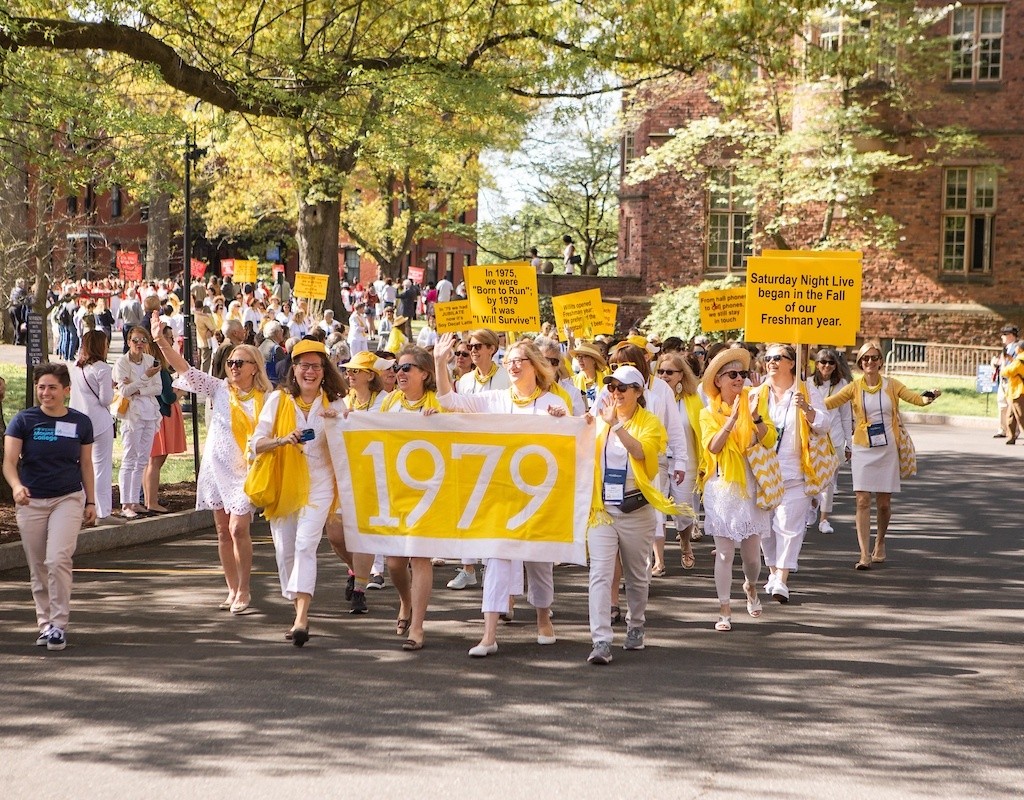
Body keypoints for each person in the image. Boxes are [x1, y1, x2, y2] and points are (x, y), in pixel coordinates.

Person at [434, 335, 564, 657]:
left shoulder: (553, 404)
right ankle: (488, 635)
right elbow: (449, 402)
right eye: (509, 361)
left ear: (534, 365)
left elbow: (571, 443)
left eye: (519, 360)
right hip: (500, 495)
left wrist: (565, 422)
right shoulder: (495, 399)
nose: (513, 366)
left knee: (538, 562)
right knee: (495, 559)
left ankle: (543, 617)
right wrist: (440, 362)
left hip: (537, 497)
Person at [157, 313, 272, 615]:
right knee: (222, 532)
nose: (233, 367)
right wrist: (161, 341)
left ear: (254, 368)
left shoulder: (268, 398)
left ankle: (245, 589)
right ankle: (232, 589)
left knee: (238, 529)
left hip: (246, 472)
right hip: (215, 468)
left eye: (240, 363)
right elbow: (185, 369)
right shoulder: (219, 388)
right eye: (231, 363)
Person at [585, 365, 683, 665]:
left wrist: (616, 426)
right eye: (611, 387)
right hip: (602, 510)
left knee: (637, 575)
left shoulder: (650, 422)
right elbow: (573, 435)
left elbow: (642, 454)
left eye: (622, 388)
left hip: (636, 508)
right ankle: (601, 640)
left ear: (638, 393)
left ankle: (636, 624)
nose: (615, 393)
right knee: (600, 574)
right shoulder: (598, 420)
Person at [251, 339, 347, 646]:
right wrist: (282, 440)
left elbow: (351, 449)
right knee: (286, 551)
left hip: (320, 484)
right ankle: (297, 611)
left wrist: (339, 426)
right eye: (304, 365)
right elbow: (256, 444)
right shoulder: (278, 401)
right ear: (294, 369)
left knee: (307, 545)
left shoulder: (336, 405)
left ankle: (302, 618)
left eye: (316, 366)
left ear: (324, 370)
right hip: (283, 485)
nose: (310, 372)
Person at [3, 363, 97, 651]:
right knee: (38, 566)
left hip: (66, 498)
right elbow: (9, 462)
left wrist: (91, 501)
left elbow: (86, 464)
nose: (46, 393)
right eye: (41, 387)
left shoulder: (81, 423)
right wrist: (17, 487)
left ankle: (58, 625)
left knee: (57, 560)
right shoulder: (23, 421)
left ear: (66, 391)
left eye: (52, 387)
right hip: (31, 501)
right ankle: (44, 624)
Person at [825, 342, 941, 569]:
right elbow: (829, 403)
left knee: (884, 504)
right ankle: (864, 554)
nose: (870, 362)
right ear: (860, 363)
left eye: (874, 358)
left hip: (887, 448)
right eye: (865, 359)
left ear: (880, 361)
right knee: (862, 500)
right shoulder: (853, 387)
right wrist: (803, 402)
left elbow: (916, 399)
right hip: (862, 448)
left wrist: (931, 395)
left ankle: (880, 542)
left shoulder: (892, 385)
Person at [700, 347, 776, 632]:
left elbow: (770, 441)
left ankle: (751, 586)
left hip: (753, 484)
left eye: (743, 374)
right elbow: (713, 447)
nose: (739, 379)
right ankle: (724, 609)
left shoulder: (755, 400)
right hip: (722, 487)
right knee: (724, 554)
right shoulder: (707, 411)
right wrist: (731, 419)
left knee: (752, 558)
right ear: (718, 380)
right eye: (732, 374)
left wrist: (755, 418)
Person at [380, 345, 443, 650]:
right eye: (397, 368)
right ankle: (405, 601)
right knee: (394, 563)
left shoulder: (437, 403)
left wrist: (439, 422)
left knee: (419, 556)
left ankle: (417, 626)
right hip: (395, 491)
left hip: (429, 492)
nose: (399, 373)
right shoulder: (389, 403)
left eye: (406, 368)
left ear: (424, 373)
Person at [757, 344, 829, 602]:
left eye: (778, 358)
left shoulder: (805, 391)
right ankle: (774, 571)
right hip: (763, 474)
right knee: (765, 529)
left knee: (789, 527)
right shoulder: (757, 394)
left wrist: (808, 410)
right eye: (768, 358)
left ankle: (782, 580)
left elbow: (824, 424)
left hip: (795, 471)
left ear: (791, 362)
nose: (772, 362)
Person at [446, 328, 511, 591]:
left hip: (500, 452)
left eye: (478, 346)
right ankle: (468, 567)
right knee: (466, 509)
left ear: (492, 349)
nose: (473, 350)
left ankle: (498, 571)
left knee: (496, 511)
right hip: (470, 453)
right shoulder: (464, 382)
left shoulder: (507, 377)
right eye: (470, 346)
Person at [655, 351, 702, 569]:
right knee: (656, 512)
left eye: (670, 372)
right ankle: (658, 560)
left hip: (687, 462)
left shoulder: (693, 401)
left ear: (681, 375)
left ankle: (685, 544)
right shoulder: (651, 397)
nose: (664, 376)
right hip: (657, 462)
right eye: (661, 371)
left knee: (682, 511)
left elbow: (701, 433)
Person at [113, 325, 163, 519]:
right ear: (128, 342)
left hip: (150, 412)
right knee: (129, 457)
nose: (140, 344)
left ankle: (135, 500)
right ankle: (126, 503)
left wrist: (139, 388)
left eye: (143, 340)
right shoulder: (122, 363)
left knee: (143, 458)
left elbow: (157, 388)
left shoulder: (150, 360)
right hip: (132, 415)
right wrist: (145, 378)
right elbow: (123, 391)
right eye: (135, 340)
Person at [69, 330, 117, 523]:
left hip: (79, 420)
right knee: (101, 467)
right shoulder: (103, 368)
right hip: (99, 421)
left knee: (82, 465)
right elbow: (106, 399)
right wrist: (113, 388)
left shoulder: (76, 367)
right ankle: (102, 512)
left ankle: (81, 508)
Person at [143, 325, 187, 514]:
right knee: (156, 461)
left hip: (156, 415)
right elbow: (168, 397)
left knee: (151, 462)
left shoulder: (152, 367)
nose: (171, 341)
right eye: (169, 337)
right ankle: (151, 501)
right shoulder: (160, 370)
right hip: (162, 416)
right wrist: (183, 389)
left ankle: (148, 499)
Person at [808, 348, 853, 533]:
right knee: (810, 479)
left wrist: (848, 443)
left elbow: (845, 416)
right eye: (823, 362)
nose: (827, 366)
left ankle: (824, 519)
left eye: (831, 363)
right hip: (812, 439)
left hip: (834, 439)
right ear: (817, 364)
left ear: (836, 366)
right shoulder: (808, 383)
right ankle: (810, 510)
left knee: (828, 482)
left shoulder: (842, 385)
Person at [999, 328, 1024, 444]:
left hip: (1018, 391)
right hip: (1014, 391)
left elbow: (1007, 371)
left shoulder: (1020, 360)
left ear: (1019, 349)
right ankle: (1011, 436)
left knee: (1020, 415)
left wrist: (1003, 363)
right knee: (1011, 415)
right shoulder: (1018, 359)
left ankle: (1011, 436)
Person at [570, 342, 609, 411]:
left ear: (594, 360)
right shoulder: (572, 381)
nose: (580, 360)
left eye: (584, 356)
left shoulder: (606, 380)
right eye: (578, 356)